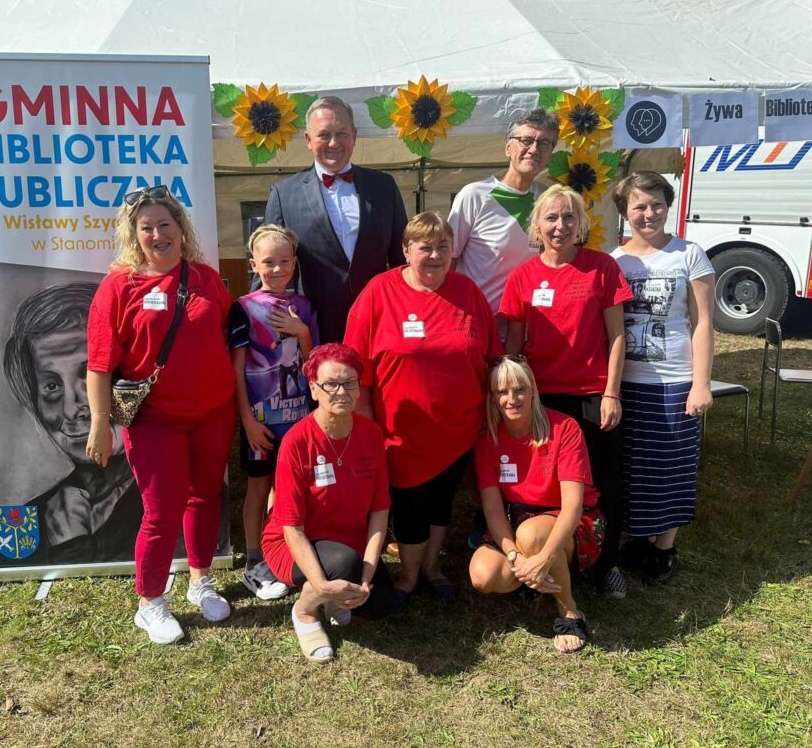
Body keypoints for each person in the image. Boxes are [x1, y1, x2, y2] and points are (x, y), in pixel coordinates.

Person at [86, 185, 236, 644]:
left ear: (180, 228)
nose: (157, 234)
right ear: (135, 235)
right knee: (160, 511)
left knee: (206, 496)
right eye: (146, 227)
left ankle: (199, 579)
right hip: (155, 419)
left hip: (213, 411)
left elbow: (226, 336)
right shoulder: (120, 285)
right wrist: (99, 422)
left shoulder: (206, 277)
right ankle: (150, 603)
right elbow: (99, 361)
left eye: (164, 225)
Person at [345, 212, 502, 608]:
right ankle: (409, 575)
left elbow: (492, 358)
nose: (434, 255)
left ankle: (432, 568)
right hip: (400, 432)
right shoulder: (379, 292)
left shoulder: (468, 292)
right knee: (410, 504)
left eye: (443, 247)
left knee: (441, 501)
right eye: (424, 247)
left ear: (453, 251)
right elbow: (356, 368)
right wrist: (366, 425)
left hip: (458, 428)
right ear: (405, 250)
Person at [499, 185, 633, 598]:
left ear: (581, 226)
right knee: (543, 485)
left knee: (604, 482)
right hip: (542, 400)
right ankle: (543, 562)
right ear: (536, 226)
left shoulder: (602, 267)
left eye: (569, 218)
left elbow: (616, 336)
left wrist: (612, 392)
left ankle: (606, 564)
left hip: (593, 396)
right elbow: (514, 348)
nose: (560, 226)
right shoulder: (523, 276)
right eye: (552, 218)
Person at [0, 282, 140, 567]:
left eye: (93, 374)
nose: (72, 409)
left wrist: (73, 547)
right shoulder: (21, 526)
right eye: (52, 385)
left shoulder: (181, 503)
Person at [611, 171, 715, 585]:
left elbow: (704, 322)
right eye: (639, 205)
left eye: (656, 204)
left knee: (670, 464)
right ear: (624, 211)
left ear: (668, 206)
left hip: (674, 380)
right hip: (625, 381)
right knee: (632, 466)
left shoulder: (689, 254)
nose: (648, 213)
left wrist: (701, 382)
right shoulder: (615, 261)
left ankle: (664, 547)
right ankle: (638, 537)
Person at [261, 343, 393, 663]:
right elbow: (291, 527)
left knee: (380, 604)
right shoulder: (296, 441)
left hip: (351, 540)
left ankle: (338, 590)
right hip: (292, 542)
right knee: (342, 564)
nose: (341, 391)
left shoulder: (371, 435)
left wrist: (367, 574)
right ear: (314, 389)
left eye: (349, 383)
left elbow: (379, 512)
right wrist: (320, 585)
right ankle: (306, 610)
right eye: (330, 384)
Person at [469, 357, 603, 653]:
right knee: (482, 576)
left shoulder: (564, 429)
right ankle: (534, 581)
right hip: (515, 521)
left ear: (533, 391)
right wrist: (519, 560)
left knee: (533, 535)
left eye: (519, 389)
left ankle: (569, 611)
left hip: (570, 521)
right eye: (501, 392)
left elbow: (573, 507)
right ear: (492, 397)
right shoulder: (487, 441)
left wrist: (542, 558)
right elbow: (492, 510)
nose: (511, 399)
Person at [264, 95, 408, 343]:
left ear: (354, 135)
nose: (334, 143)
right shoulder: (284, 194)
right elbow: (267, 268)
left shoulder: (384, 187)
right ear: (308, 140)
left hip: (379, 325)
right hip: (312, 329)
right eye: (324, 135)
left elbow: (401, 260)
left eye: (341, 134)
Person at [230, 224, 318, 601]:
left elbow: (316, 363)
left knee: (292, 490)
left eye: (284, 261)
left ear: (295, 263)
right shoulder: (243, 307)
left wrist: (302, 332)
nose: (278, 269)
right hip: (261, 423)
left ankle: (284, 552)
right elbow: (234, 368)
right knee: (259, 486)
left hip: (299, 419)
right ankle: (254, 561)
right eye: (269, 262)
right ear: (254, 264)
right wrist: (247, 419)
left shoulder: (306, 306)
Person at [448, 108, 559, 332]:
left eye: (544, 143)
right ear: (508, 147)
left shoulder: (547, 199)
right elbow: (447, 261)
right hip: (474, 329)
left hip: (523, 333)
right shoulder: (475, 195)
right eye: (526, 140)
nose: (534, 149)